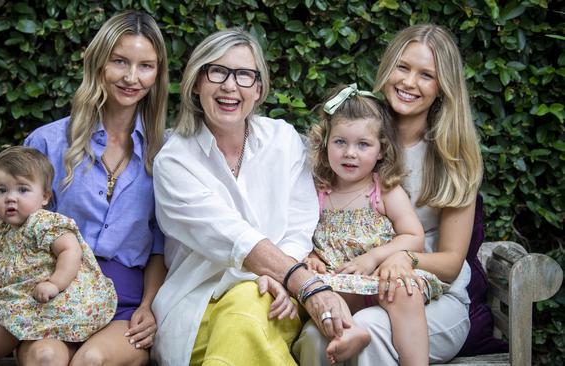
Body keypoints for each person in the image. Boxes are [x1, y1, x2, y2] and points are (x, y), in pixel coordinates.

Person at [0, 10, 169, 366]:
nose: (131, 77)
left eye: (146, 66)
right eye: (119, 62)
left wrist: (148, 306)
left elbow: (161, 243)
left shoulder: (165, 154)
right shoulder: (48, 142)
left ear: (158, 74)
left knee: (90, 360)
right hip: (49, 294)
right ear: (98, 64)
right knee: (47, 358)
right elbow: (7, 229)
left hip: (124, 301)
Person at [151, 28, 353, 366]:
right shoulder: (174, 161)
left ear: (258, 89)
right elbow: (230, 236)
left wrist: (278, 280)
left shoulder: (283, 139)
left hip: (277, 297)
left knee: (249, 304)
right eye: (217, 72)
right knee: (244, 320)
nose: (230, 86)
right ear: (196, 83)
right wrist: (300, 282)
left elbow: (300, 224)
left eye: (245, 75)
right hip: (199, 306)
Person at [294, 24, 483, 365]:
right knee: (313, 335)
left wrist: (401, 258)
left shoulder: (452, 156)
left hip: (428, 295)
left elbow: (452, 263)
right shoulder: (356, 131)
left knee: (368, 331)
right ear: (387, 68)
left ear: (443, 87)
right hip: (357, 285)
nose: (410, 82)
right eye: (403, 67)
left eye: (426, 75)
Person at [0, 146, 117, 366]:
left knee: (16, 314)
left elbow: (70, 250)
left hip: (69, 301)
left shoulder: (43, 223)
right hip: (42, 302)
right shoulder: (3, 228)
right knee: (16, 306)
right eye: (1, 190)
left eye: (22, 190)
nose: (10, 198)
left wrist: (54, 283)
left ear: (45, 196)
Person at [302, 84, 449, 365]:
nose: (350, 153)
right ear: (325, 143)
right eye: (340, 142)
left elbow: (413, 235)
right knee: (323, 297)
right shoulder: (318, 191)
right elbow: (300, 235)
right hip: (342, 281)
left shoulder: (383, 190)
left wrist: (374, 258)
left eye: (363, 144)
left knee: (407, 291)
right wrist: (311, 257)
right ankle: (351, 332)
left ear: (381, 150)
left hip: (381, 275)